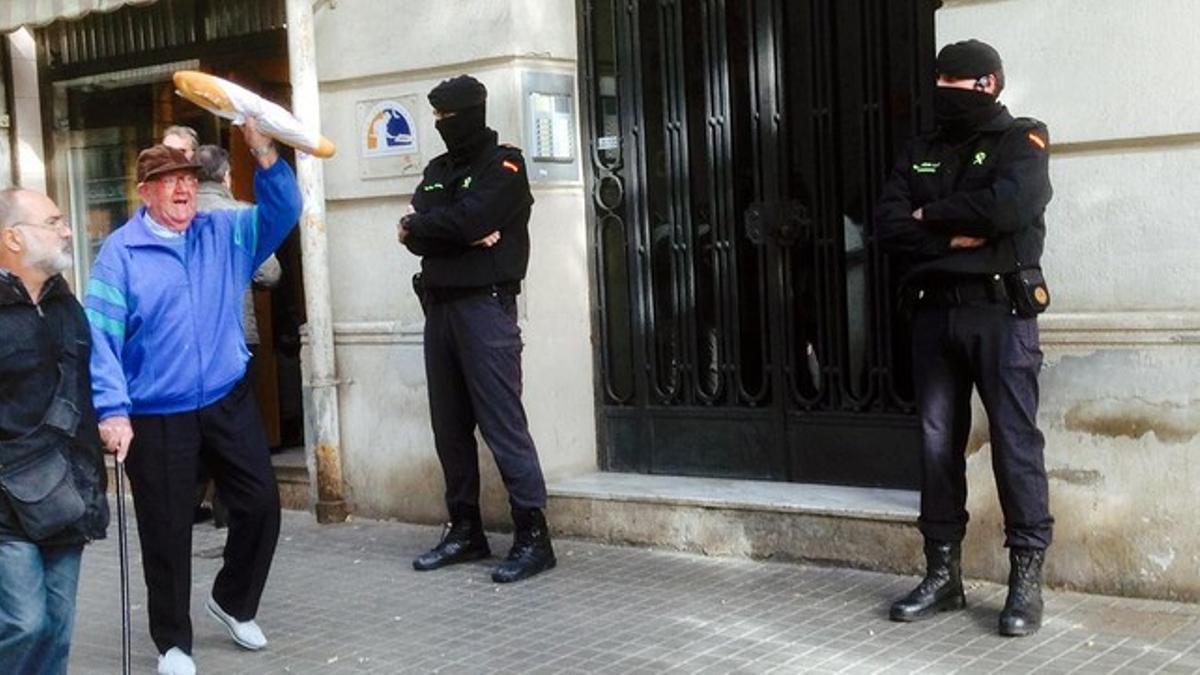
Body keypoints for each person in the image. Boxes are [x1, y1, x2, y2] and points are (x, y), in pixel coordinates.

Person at [86, 118, 302, 675]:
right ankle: (173, 643)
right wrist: (112, 410)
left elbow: (283, 213)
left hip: (227, 399)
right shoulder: (120, 254)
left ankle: (232, 600)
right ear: (146, 192)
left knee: (260, 506)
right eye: (168, 181)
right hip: (157, 414)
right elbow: (101, 340)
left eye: (187, 179)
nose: (182, 189)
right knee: (166, 530)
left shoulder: (222, 233)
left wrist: (265, 154)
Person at [876, 39, 1054, 637]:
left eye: (963, 80)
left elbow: (1012, 208)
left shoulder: (1022, 141)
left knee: (1014, 446)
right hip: (933, 315)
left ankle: (1025, 581)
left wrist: (934, 216)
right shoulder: (921, 149)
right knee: (935, 449)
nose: (949, 89)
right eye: (943, 78)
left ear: (992, 83)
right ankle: (943, 575)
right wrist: (952, 235)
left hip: (1000, 315)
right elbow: (889, 224)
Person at [396, 74, 555, 584]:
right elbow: (418, 229)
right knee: (449, 428)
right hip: (439, 308)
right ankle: (466, 529)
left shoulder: (505, 165)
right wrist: (440, 230)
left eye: (448, 117)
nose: (442, 125)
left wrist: (439, 227)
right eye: (436, 117)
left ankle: (533, 534)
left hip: (485, 309)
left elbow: (463, 221)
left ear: (472, 113)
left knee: (502, 425)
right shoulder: (438, 169)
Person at [0, 188, 109, 675]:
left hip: (69, 492)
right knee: (25, 622)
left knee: (59, 627)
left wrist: (113, 419)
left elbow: (86, 384)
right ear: (13, 239)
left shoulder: (68, 305)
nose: (68, 230)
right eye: (53, 221)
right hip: (6, 501)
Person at [195, 144, 283, 526]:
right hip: (235, 334)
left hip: (188, 340)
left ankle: (188, 502)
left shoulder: (172, 217)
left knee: (194, 421)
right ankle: (229, 508)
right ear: (226, 175)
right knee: (235, 426)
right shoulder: (240, 214)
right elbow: (270, 273)